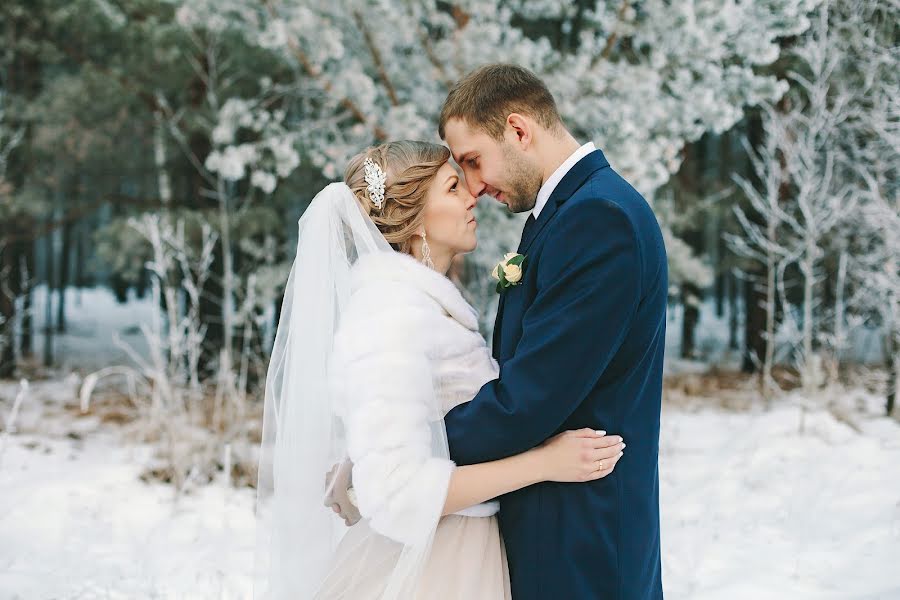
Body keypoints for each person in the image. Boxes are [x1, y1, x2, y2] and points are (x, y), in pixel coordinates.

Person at [254, 140, 625, 599]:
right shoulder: (389, 316)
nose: (472, 195)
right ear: (414, 223)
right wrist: (545, 463)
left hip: (460, 551)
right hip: (430, 569)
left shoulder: (420, 308)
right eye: (453, 187)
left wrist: (358, 464)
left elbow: (423, 433)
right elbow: (399, 495)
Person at [438, 64, 668, 600]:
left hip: (581, 540)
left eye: (474, 161)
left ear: (519, 130)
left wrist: (414, 448)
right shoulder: (573, 212)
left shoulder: (598, 220)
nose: (474, 186)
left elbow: (529, 400)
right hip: (563, 528)